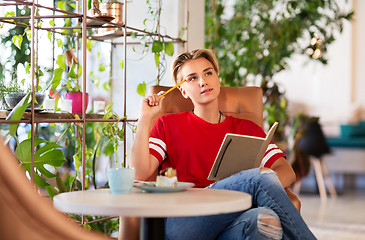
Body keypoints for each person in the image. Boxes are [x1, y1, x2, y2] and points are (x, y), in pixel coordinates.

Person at [130, 49, 316, 239]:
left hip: (230, 220)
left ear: (218, 78)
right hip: (184, 221)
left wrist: (242, 189)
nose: (203, 81)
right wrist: (145, 119)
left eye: (208, 73)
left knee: (265, 220)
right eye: (192, 78)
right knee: (257, 178)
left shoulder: (247, 129)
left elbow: (286, 171)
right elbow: (139, 173)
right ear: (183, 91)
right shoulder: (167, 124)